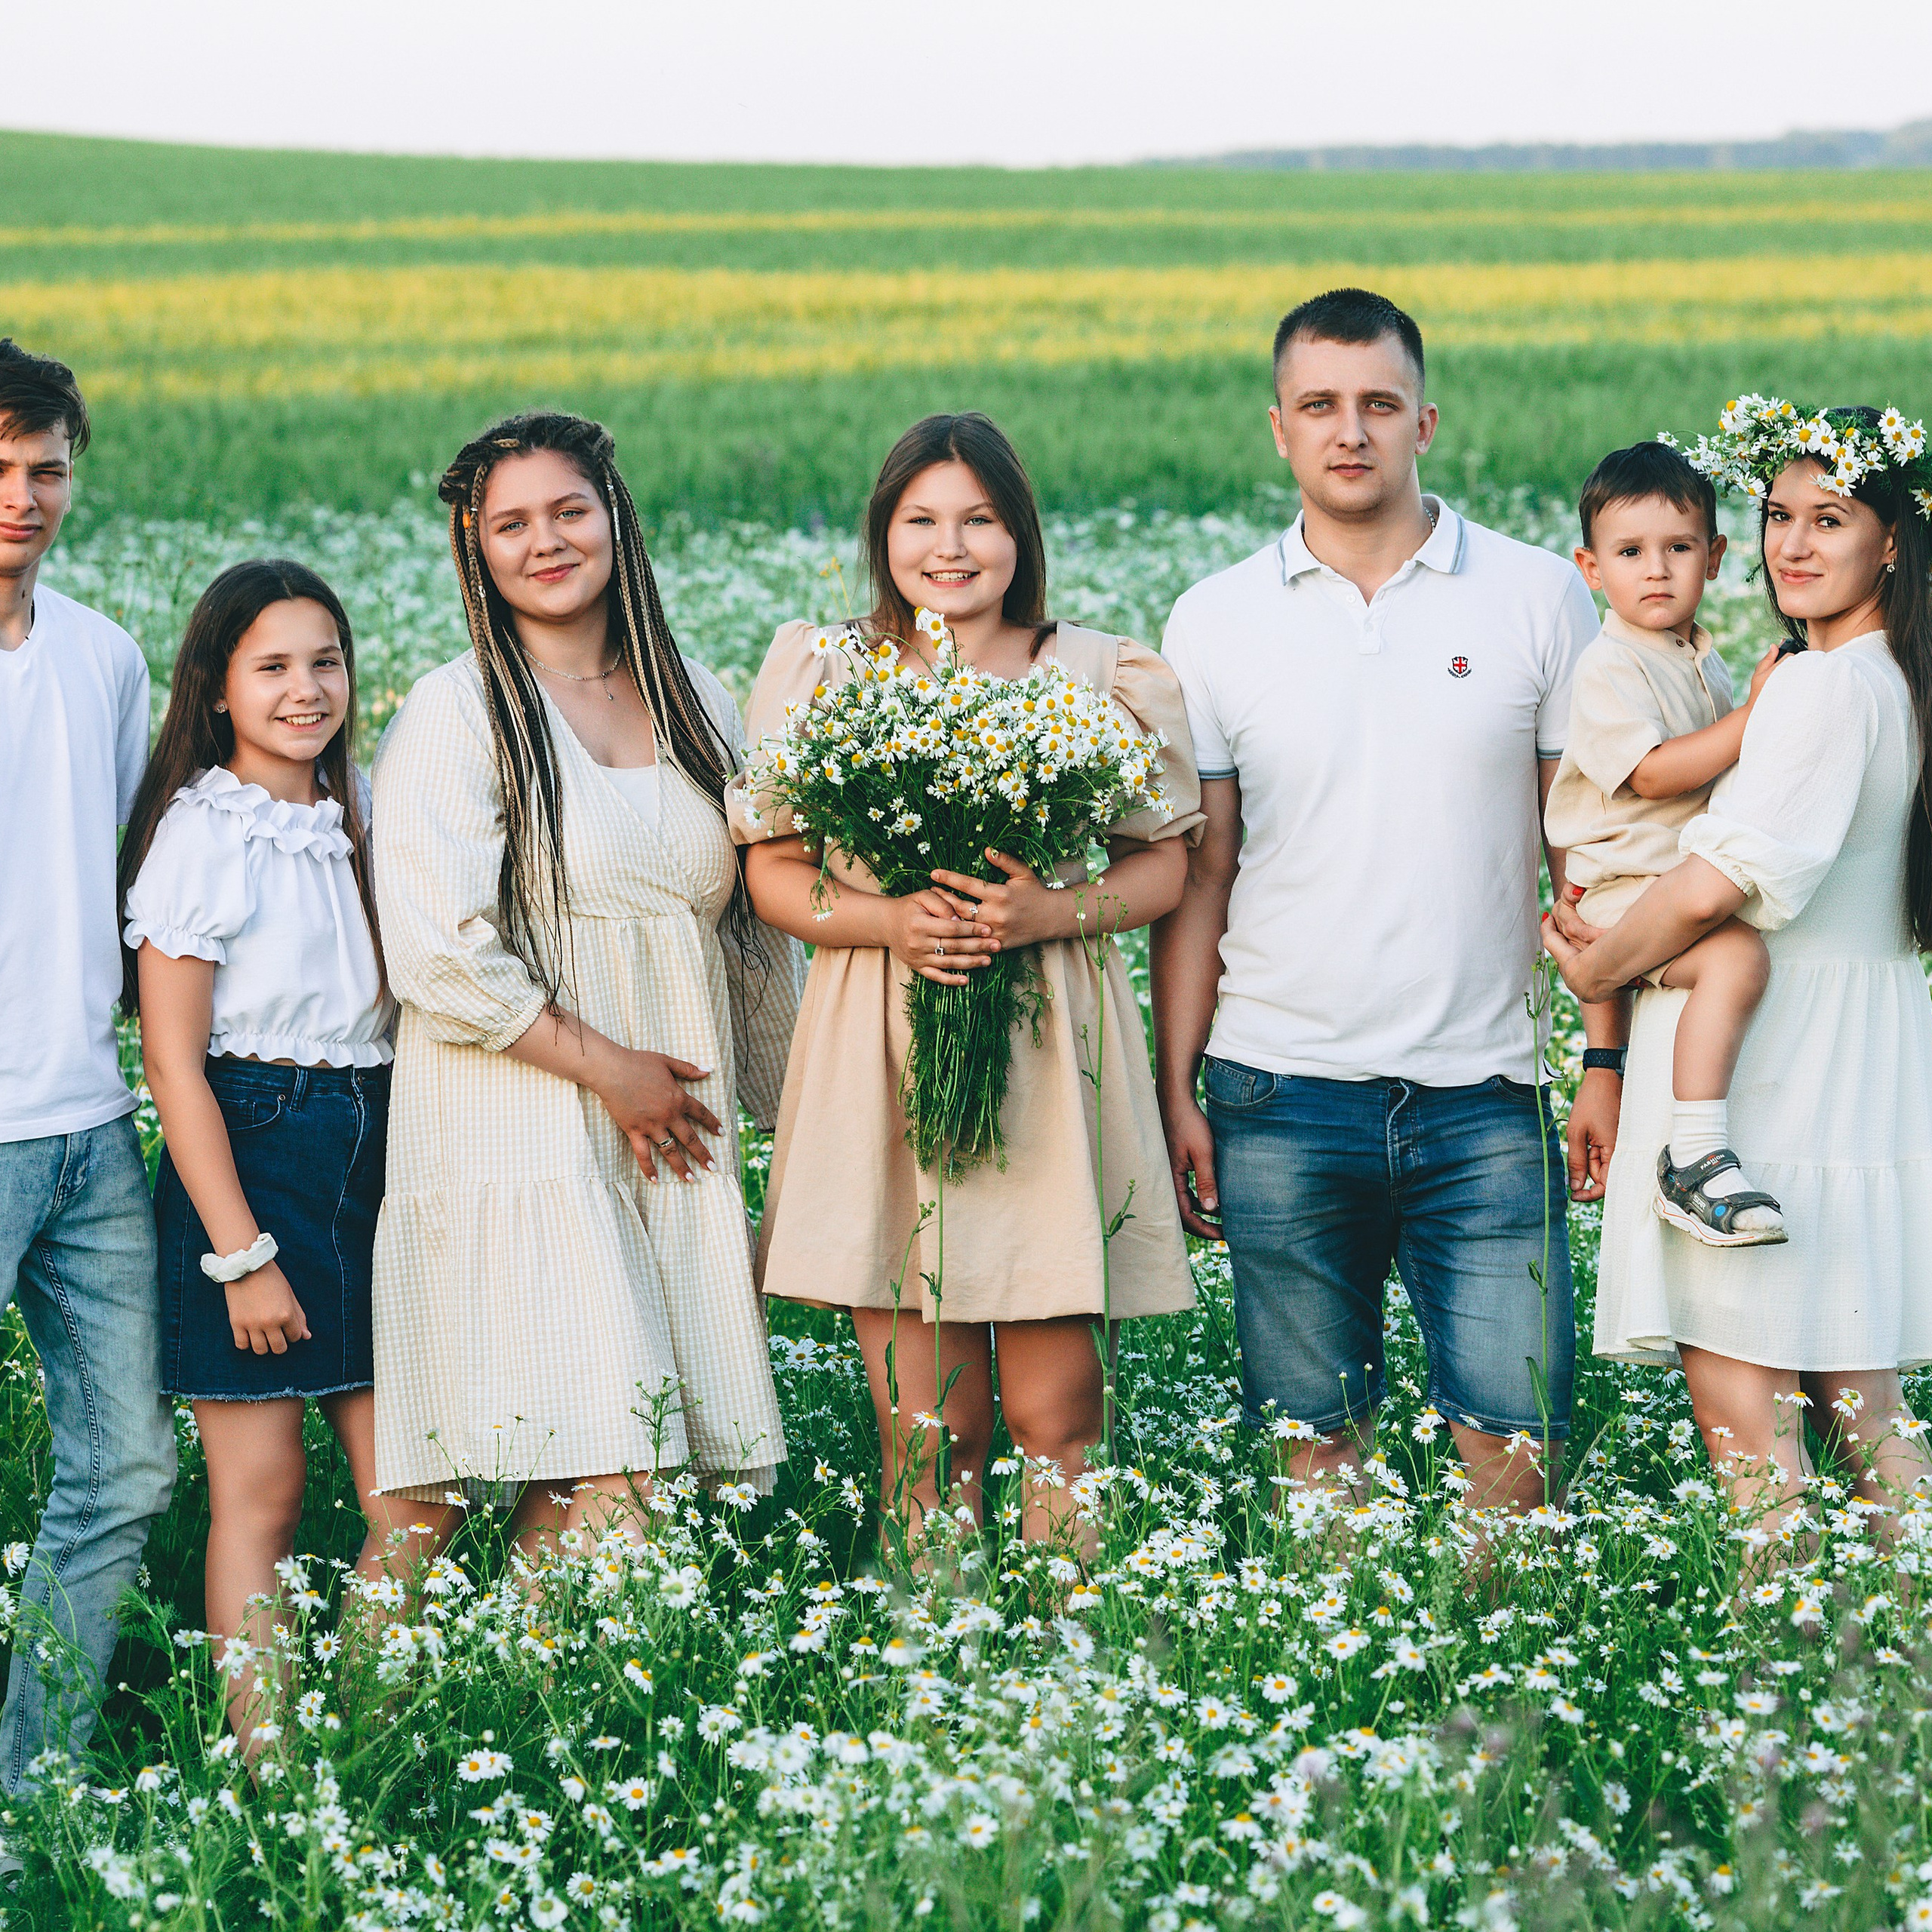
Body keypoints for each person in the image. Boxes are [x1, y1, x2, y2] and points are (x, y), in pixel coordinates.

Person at [1151, 288, 1618, 1512]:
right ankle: (1349, 1693)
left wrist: (1607, 1062)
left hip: (1485, 1098)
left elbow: (1585, 865)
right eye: (1320, 405)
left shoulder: (1536, 599)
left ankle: (1493, 1709)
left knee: (1515, 1458)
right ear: (1280, 429)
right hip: (1277, 1092)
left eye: (1377, 404)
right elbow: (1202, 880)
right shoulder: (1213, 620)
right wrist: (1174, 1089)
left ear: (1426, 421)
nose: (1349, 430)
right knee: (1317, 1456)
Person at [731, 412, 1200, 1555]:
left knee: (1060, 1415)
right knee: (926, 1427)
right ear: (883, 536)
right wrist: (892, 921)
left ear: (1019, 533)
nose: (952, 548)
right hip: (879, 1044)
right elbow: (768, 873)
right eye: (921, 521)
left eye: (979, 520)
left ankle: (1064, 1665)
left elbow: (1167, 863)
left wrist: (1051, 910)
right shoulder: (827, 668)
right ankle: (932, 1660)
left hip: (1046, 1043)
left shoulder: (1099, 672)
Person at [371, 411, 797, 1543]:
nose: (545, 541)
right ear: (477, 547)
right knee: (559, 1477)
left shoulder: (696, 695)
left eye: (568, 510)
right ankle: (358, 1716)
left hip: (669, 1136)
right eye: (511, 524)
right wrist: (611, 1071)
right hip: (517, 1126)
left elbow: (750, 935)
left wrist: (797, 1118)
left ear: (615, 518)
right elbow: (435, 949)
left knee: (622, 1475)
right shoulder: (457, 708)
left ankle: (530, 1711)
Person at [1546, 398, 1932, 1541]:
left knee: (1753, 1443)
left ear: (1893, 541)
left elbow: (1717, 883)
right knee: (1867, 1417)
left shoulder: (1816, 685)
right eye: (1776, 515)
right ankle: (1899, 1673)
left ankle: (1792, 1686)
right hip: (1856, 1072)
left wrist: (1597, 968)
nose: (1793, 546)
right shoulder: (1899, 677)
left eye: (1832, 518)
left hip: (1757, 1096)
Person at [118, 559, 437, 1754]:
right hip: (250, 1155)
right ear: (217, 689)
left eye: (326, 661)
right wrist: (239, 1255)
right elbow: (175, 1067)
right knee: (265, 1493)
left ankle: (360, 1733)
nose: (308, 689)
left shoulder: (361, 810)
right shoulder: (205, 832)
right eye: (274, 667)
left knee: (418, 1490)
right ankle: (274, 1769)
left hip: (377, 1144)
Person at [0, 340, 175, 1792]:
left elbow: (133, 873)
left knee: (124, 1471)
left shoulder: (104, 654)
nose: (21, 496)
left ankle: (28, 1787)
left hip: (90, 1128)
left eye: (46, 469)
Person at [1544, 441, 1789, 1245]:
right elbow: (1650, 775)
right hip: (1621, 887)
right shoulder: (1607, 665)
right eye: (1629, 552)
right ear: (1590, 567)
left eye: (1677, 548)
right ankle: (1693, 1154)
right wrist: (1752, 721)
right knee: (1736, 960)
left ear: (1714, 557)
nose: (1656, 570)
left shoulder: (1696, 657)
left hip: (1666, 875)